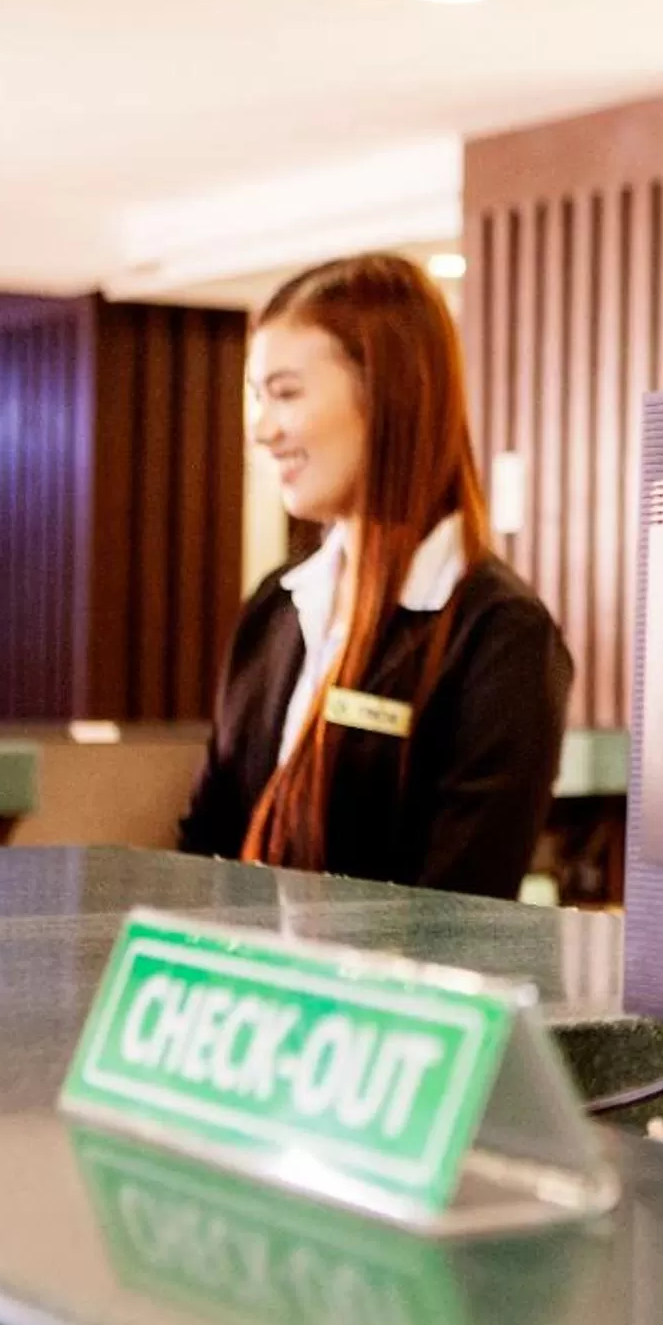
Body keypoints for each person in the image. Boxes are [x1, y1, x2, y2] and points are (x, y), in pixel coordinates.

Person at [180, 254, 571, 898]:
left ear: (387, 395)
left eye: (285, 393)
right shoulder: (276, 608)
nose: (260, 430)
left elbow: (462, 906)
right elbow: (206, 845)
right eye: (256, 397)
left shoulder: (501, 635)